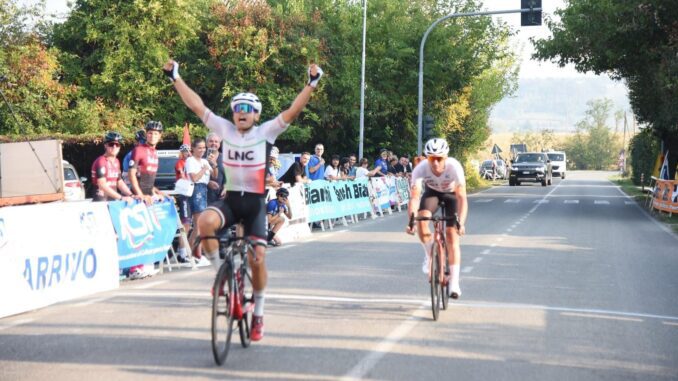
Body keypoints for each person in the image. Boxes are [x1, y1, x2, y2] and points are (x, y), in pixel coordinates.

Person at [164, 58, 322, 341]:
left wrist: (311, 83)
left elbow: (293, 110)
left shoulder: (266, 132)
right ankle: (220, 275)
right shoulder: (224, 129)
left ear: (256, 115)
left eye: (247, 109)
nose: (241, 112)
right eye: (237, 108)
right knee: (206, 224)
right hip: (231, 199)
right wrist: (175, 77)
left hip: (254, 206)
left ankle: (258, 313)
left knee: (257, 258)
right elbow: (197, 106)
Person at [405, 138, 467, 299]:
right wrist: (411, 220)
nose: (435, 163)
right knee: (422, 218)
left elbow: (462, 198)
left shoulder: (454, 167)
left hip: (451, 194)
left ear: (445, 158)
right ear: (427, 158)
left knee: (452, 236)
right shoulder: (421, 168)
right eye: (432, 158)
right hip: (432, 193)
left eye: (439, 159)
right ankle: (429, 253)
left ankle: (454, 283)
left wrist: (461, 221)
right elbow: (414, 198)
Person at [127, 121, 166, 279]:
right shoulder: (138, 150)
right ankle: (134, 268)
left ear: (160, 136)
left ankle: (146, 265)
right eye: (150, 133)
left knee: (149, 232)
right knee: (137, 233)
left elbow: (149, 179)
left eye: (156, 133)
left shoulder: (154, 153)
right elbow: (131, 174)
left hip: (149, 195)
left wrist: (158, 191)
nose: (153, 135)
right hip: (138, 196)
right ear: (146, 134)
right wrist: (139, 194)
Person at [185, 138, 216, 267]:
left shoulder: (204, 161)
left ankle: (191, 254)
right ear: (193, 148)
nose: (202, 150)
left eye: (204, 147)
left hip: (204, 190)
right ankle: (196, 255)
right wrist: (203, 170)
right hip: (195, 190)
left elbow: (213, 174)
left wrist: (213, 164)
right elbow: (194, 177)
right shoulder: (190, 160)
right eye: (199, 148)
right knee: (199, 225)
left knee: (199, 226)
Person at [91, 131, 134, 202]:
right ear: (105, 145)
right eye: (111, 144)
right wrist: (121, 198)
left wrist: (131, 195)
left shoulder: (116, 161)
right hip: (101, 200)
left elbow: (119, 182)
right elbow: (102, 185)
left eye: (117, 144)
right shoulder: (101, 161)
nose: (114, 147)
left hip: (113, 199)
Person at [174, 144, 192, 263]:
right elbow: (182, 175)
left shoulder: (190, 162)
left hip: (189, 192)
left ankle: (184, 250)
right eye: (185, 151)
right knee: (185, 223)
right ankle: (182, 252)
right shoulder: (180, 162)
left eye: (189, 151)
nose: (187, 153)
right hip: (183, 193)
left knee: (188, 224)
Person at [205, 132, 226, 203]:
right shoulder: (201, 157)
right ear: (206, 143)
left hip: (222, 196)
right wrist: (207, 182)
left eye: (216, 141)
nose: (213, 143)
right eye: (211, 141)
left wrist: (226, 188)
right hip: (204, 196)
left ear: (219, 144)